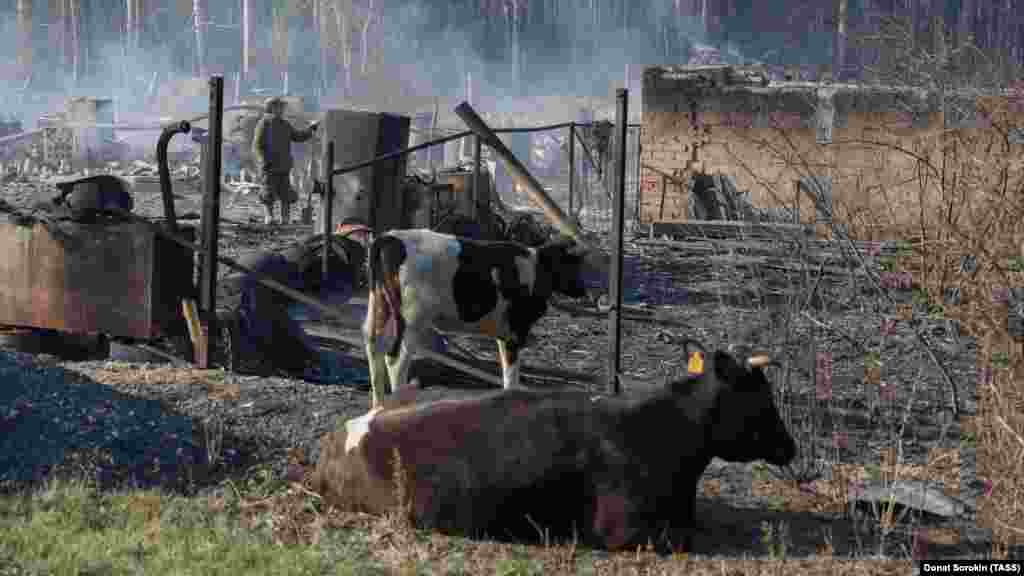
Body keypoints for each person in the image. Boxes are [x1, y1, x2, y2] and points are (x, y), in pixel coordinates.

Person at [252, 97, 319, 225]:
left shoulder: (285, 124)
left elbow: (298, 136)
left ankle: (285, 218)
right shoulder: (264, 123)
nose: (283, 109)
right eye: (280, 107)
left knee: (286, 193)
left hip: (283, 165)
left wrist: (311, 130)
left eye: (282, 107)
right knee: (268, 193)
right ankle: (269, 217)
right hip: (269, 166)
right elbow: (257, 145)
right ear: (272, 108)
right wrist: (264, 161)